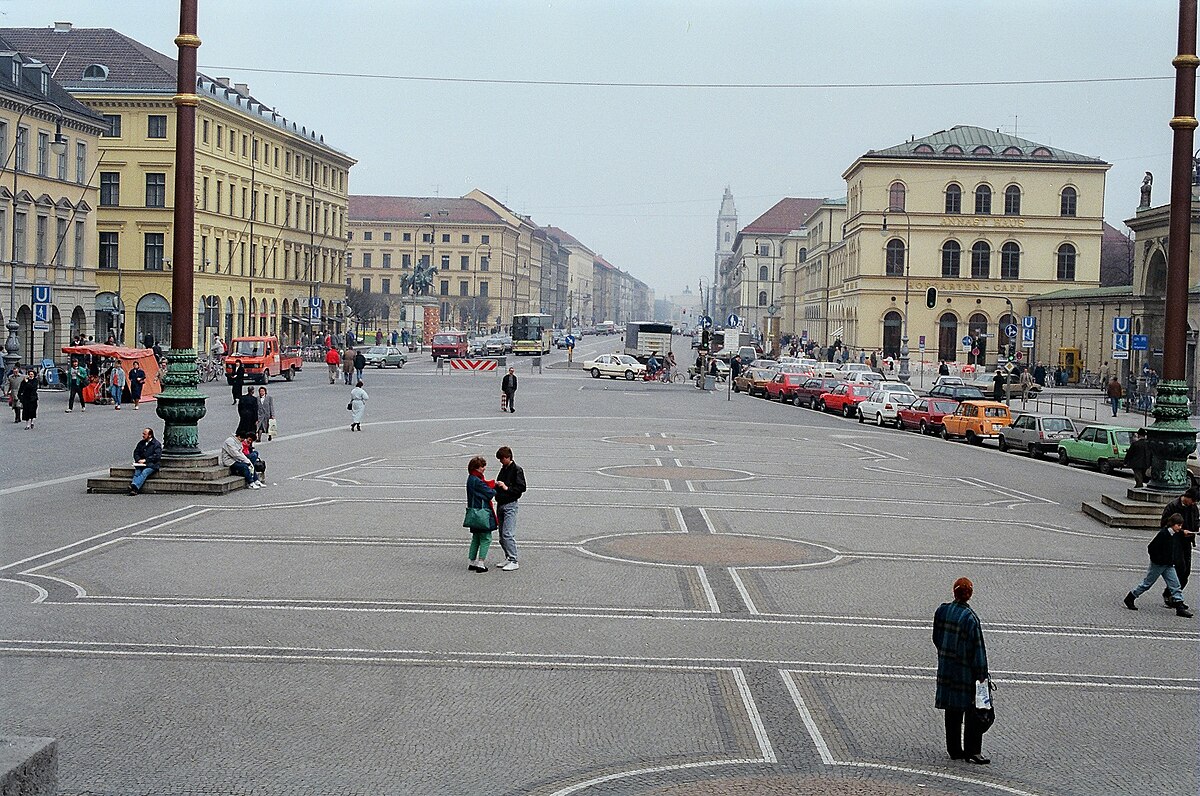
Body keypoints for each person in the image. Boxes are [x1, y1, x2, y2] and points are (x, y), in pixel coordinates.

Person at [933, 577, 991, 764]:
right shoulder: (970, 619)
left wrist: (945, 654)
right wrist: (982, 677)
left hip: (947, 668)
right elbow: (978, 650)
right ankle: (973, 751)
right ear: (970, 594)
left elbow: (937, 637)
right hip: (965, 672)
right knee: (974, 710)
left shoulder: (942, 611)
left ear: (954, 592)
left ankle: (954, 749)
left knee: (952, 709)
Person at [1124, 514, 1193, 617]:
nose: (1180, 527)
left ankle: (1179, 607)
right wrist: (1157, 560)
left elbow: (1180, 533)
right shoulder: (1163, 534)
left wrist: (1184, 532)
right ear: (1173, 524)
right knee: (1147, 583)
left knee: (1175, 585)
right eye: (1178, 525)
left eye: (1181, 525)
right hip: (1159, 564)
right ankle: (1130, 597)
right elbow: (1151, 548)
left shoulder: (1174, 533)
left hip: (1168, 564)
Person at [1159, 487, 1198, 607]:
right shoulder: (1173, 506)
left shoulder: (1193, 508)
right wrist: (1182, 531)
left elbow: (1196, 521)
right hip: (1175, 542)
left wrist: (1196, 529)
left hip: (1187, 542)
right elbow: (1165, 524)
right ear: (1187, 497)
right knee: (1179, 569)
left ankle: (1172, 594)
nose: (1194, 503)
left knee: (1186, 571)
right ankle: (1174, 597)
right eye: (1193, 501)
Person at [494, 446, 526, 571]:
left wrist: (506, 487)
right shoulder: (504, 469)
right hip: (501, 503)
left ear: (508, 458)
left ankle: (514, 559)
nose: (500, 462)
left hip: (510, 504)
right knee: (502, 535)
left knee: (508, 534)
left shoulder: (517, 470)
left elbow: (522, 487)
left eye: (502, 459)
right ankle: (508, 556)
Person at [465, 455, 499, 572]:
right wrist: (496, 487)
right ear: (477, 468)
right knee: (486, 538)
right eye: (482, 466)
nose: (484, 468)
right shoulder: (477, 481)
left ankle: (471, 561)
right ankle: (481, 563)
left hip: (473, 512)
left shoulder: (471, 478)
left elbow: (484, 486)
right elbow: (489, 493)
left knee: (476, 538)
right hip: (482, 513)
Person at [128, 427, 162, 495]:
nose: (143, 435)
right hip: (141, 464)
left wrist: (146, 460)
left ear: (150, 435)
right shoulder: (141, 443)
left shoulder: (156, 444)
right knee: (137, 472)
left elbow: (157, 456)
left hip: (152, 464)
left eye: (144, 434)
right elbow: (136, 452)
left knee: (145, 472)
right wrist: (138, 460)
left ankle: (133, 486)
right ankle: (135, 489)